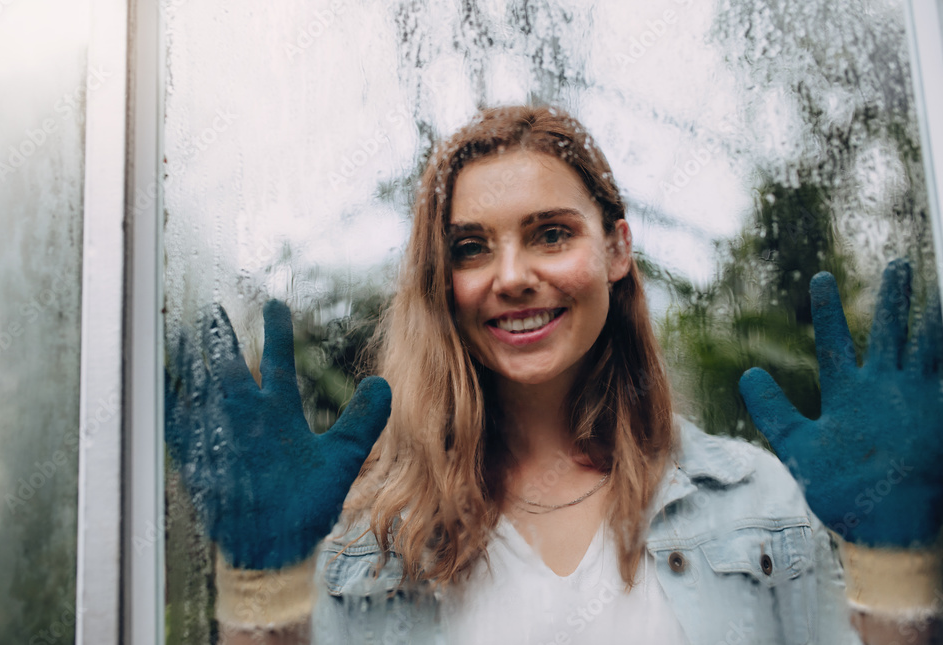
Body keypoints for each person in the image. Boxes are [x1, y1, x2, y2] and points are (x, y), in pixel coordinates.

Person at [166, 105, 943, 644]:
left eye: (549, 234)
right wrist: (263, 588)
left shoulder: (757, 504)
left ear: (617, 248)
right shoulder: (368, 540)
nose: (511, 276)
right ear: (443, 281)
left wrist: (894, 566)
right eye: (471, 247)